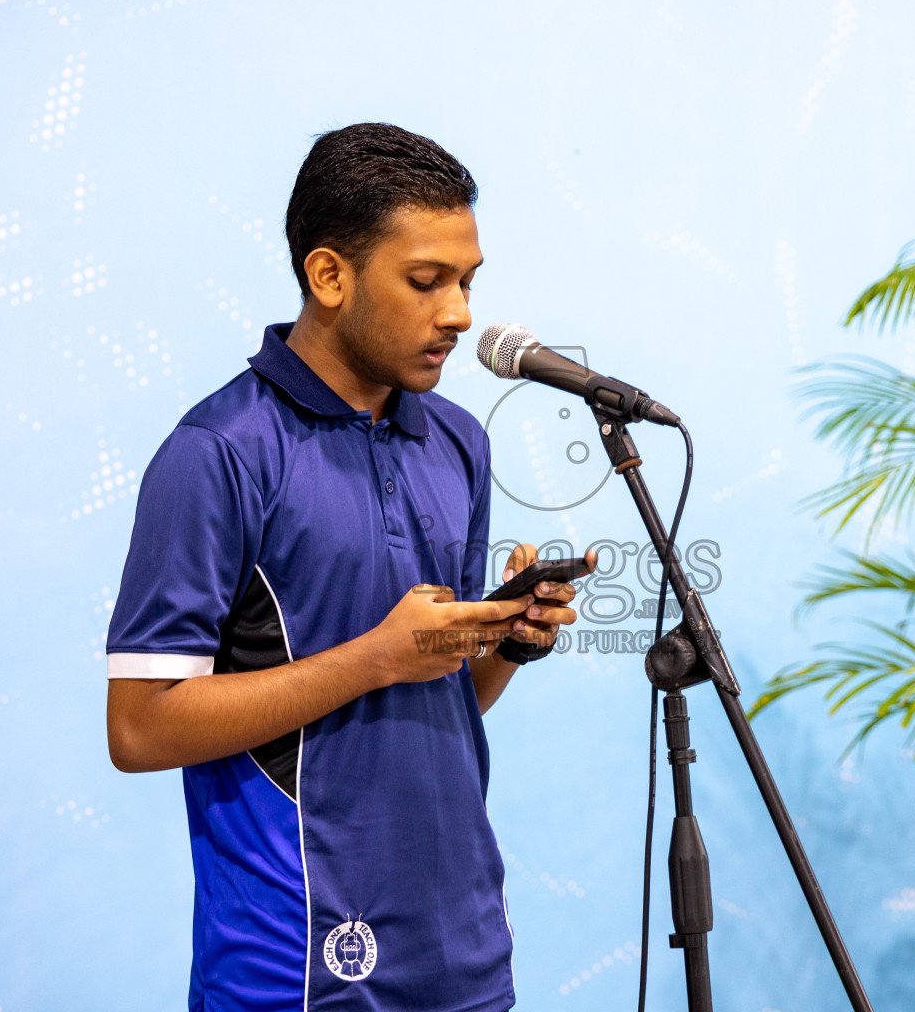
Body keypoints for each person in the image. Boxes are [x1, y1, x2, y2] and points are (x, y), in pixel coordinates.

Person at [104, 122, 596, 1012]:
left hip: (466, 952)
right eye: (427, 281)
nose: (459, 313)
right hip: (297, 967)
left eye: (467, 283)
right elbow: (140, 729)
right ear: (328, 275)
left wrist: (502, 644)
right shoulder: (217, 453)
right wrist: (376, 655)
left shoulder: (457, 440)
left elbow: (432, 690)